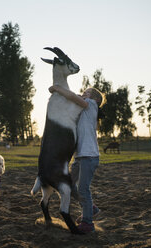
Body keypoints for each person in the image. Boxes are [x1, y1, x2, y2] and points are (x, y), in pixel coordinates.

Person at [48, 85, 106, 234]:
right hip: (80, 157)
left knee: (83, 189)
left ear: (96, 99)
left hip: (90, 157)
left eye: (87, 93)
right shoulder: (82, 113)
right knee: (68, 185)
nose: (83, 94)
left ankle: (88, 224)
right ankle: (90, 208)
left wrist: (58, 89)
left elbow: (73, 97)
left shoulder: (91, 105)